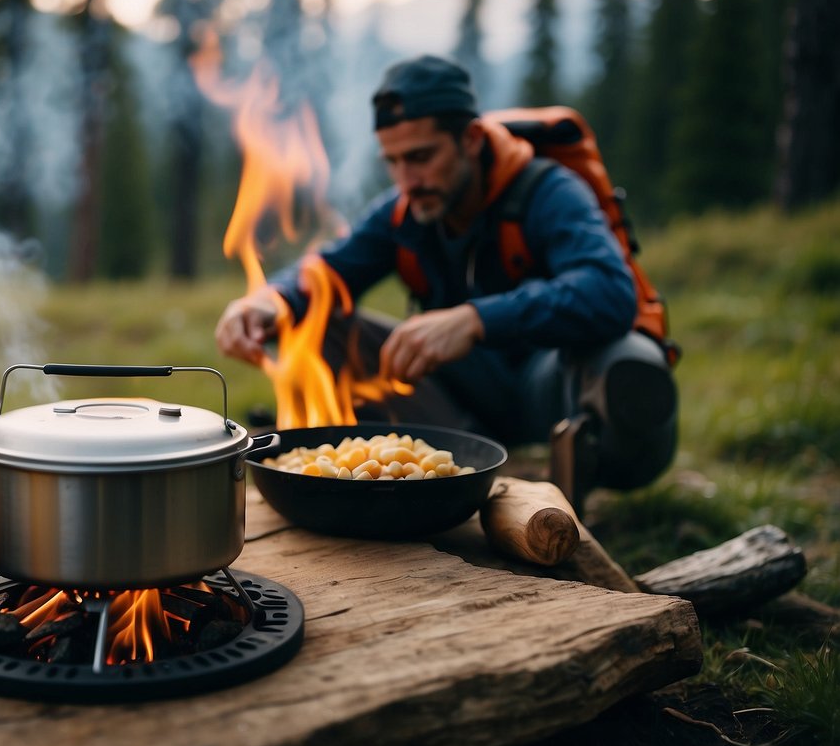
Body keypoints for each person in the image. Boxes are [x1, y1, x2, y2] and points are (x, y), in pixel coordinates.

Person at [214, 54, 678, 503]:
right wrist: (266, 301)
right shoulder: (406, 210)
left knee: (628, 359)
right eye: (392, 162)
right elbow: (327, 270)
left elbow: (611, 291)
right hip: (459, 406)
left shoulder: (549, 191)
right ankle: (427, 477)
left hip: (553, 388)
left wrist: (475, 320)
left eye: (420, 156)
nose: (406, 179)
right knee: (318, 322)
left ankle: (582, 480)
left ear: (472, 139)